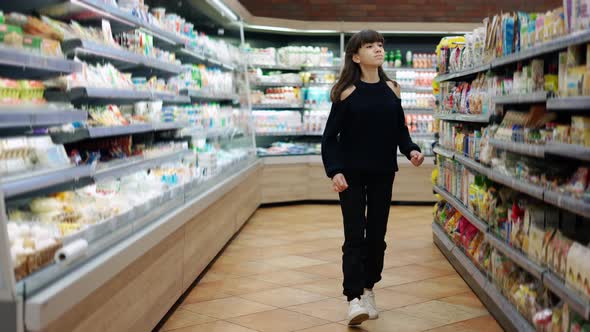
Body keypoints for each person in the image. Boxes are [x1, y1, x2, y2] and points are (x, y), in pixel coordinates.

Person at [321, 29, 425, 326]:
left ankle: (368, 289)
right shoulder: (346, 92)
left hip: (383, 172)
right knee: (355, 234)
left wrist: (411, 150)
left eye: (380, 45)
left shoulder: (392, 88)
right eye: (370, 46)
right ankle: (353, 298)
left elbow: (400, 131)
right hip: (351, 175)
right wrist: (335, 170)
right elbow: (329, 139)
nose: (378, 50)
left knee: (377, 235)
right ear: (356, 56)